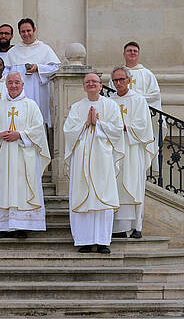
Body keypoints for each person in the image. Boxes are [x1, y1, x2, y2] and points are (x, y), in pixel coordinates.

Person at [65, 73, 125, 254]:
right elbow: (68, 130)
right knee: (83, 195)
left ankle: (102, 241)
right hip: (81, 159)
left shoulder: (111, 106)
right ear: (84, 87)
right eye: (87, 82)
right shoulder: (76, 107)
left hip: (102, 158)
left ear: (101, 86)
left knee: (102, 195)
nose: (91, 84)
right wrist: (85, 124)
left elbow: (117, 130)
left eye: (94, 82)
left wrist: (98, 124)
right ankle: (84, 241)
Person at [0, 71, 50, 238]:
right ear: (5, 85)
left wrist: (20, 135)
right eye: (10, 82)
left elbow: (38, 130)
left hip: (24, 155)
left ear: (22, 84)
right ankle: (4, 226)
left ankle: (22, 225)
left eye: (16, 82)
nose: (13, 85)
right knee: (4, 187)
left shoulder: (31, 105)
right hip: (4, 156)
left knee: (22, 188)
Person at [108, 66, 157, 239]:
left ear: (129, 80)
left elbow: (144, 126)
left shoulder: (138, 100)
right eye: (115, 80)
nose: (119, 83)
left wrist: (125, 127)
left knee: (133, 185)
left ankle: (136, 226)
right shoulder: (109, 101)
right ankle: (118, 228)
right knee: (116, 186)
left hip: (132, 148)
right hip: (114, 150)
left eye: (122, 79)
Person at [5, 18, 61, 127]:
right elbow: (5, 72)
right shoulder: (13, 51)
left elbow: (55, 68)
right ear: (19, 33)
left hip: (39, 93)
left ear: (34, 30)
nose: (26, 34)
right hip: (18, 94)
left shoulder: (44, 49)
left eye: (28, 30)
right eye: (23, 32)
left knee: (37, 122)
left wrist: (38, 68)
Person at [123, 41, 163, 169]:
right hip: (124, 117)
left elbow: (155, 95)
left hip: (142, 118)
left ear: (138, 54)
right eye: (129, 51)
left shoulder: (147, 74)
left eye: (135, 51)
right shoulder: (119, 75)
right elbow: (112, 96)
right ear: (124, 53)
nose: (132, 53)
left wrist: (135, 99)